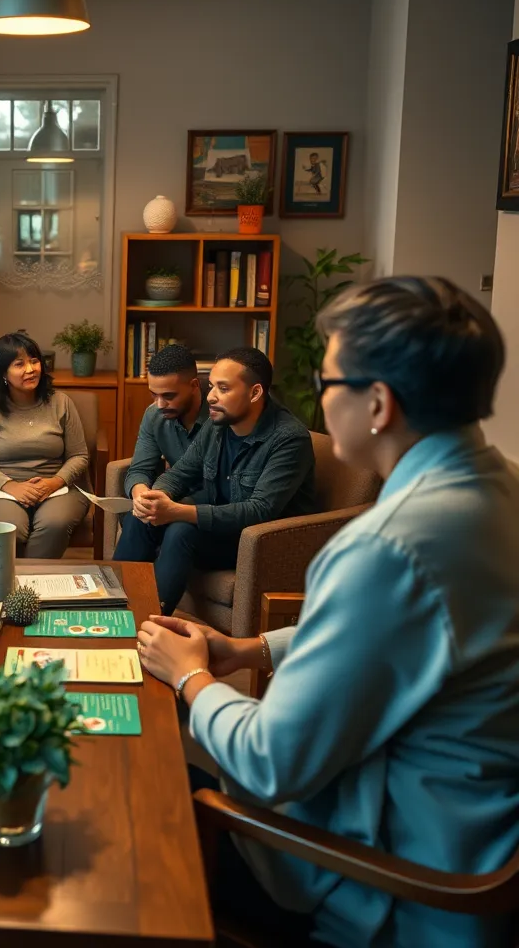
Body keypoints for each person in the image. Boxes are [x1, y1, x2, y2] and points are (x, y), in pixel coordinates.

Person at [136, 277, 519, 947]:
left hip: (384, 887)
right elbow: (398, 642)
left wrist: (191, 676)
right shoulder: (497, 492)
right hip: (470, 845)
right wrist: (249, 650)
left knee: (143, 797)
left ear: (378, 403)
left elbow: (266, 762)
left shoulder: (387, 546)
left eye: (328, 381)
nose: (318, 399)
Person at [114, 347, 315, 613]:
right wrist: (155, 497)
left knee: (180, 530)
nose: (210, 397)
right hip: (220, 523)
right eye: (212, 387)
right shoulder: (218, 423)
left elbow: (259, 511)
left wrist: (177, 511)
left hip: (258, 541)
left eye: (223, 388)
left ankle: (148, 619)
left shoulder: (288, 439)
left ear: (255, 392)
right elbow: (181, 473)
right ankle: (109, 601)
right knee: (141, 518)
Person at [0, 332, 89, 559]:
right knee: (9, 527)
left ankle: (28, 587)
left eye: (34, 361)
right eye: (19, 364)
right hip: (0, 489)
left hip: (57, 486)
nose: (30, 369)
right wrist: (12, 486)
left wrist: (53, 483)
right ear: (3, 372)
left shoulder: (60, 402)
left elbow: (79, 455)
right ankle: (12, 586)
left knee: (55, 523)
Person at [125, 343, 210, 505]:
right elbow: (139, 469)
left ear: (194, 385)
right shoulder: (154, 415)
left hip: (207, 504)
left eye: (169, 396)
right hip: (170, 494)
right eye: (153, 394)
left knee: (176, 530)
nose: (160, 405)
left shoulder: (218, 414)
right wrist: (140, 493)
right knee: (135, 518)